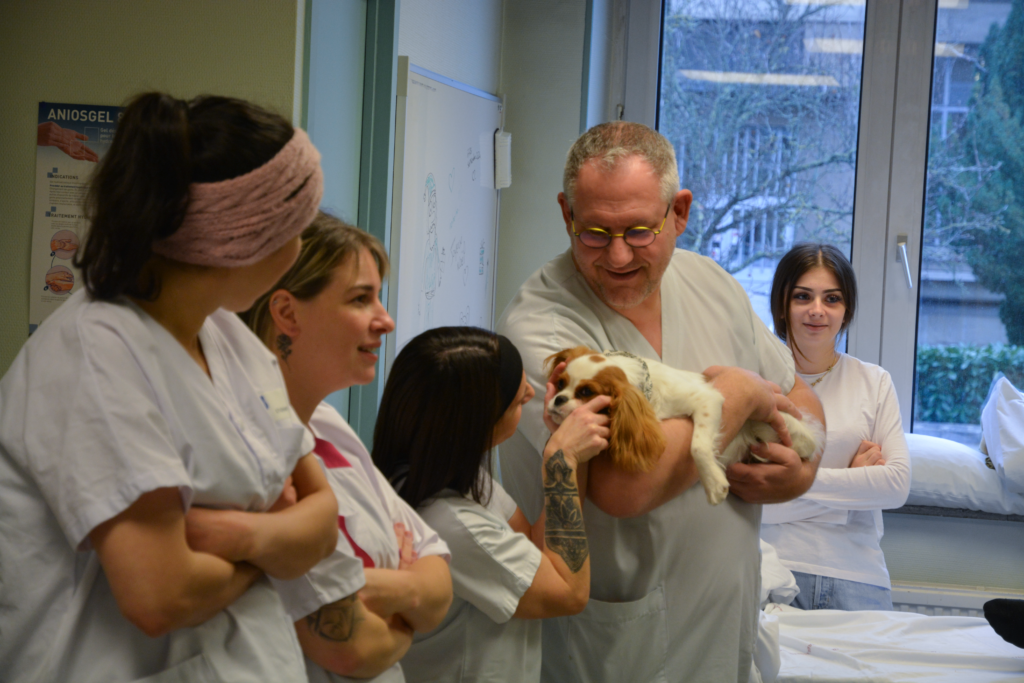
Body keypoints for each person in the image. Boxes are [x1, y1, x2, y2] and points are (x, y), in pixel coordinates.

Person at [0, 92, 342, 682]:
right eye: (297, 229)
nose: (299, 249)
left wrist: (230, 533)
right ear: (244, 239)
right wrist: (271, 553)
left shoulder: (231, 342)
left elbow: (322, 520)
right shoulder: (96, 354)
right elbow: (159, 594)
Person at [496, 121, 825, 683]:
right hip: (617, 644)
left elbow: (798, 394)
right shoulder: (545, 330)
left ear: (679, 213)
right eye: (595, 233)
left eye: (640, 231)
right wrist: (735, 395)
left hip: (723, 625)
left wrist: (803, 471)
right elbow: (627, 484)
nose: (619, 256)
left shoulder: (710, 282)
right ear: (565, 214)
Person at [243, 212, 454, 682]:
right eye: (361, 299)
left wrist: (389, 590)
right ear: (287, 313)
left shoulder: (328, 426)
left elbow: (439, 576)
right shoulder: (254, 451)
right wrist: (407, 590)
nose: (386, 320)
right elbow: (353, 650)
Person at [372, 327, 611, 683]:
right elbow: (568, 592)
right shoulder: (448, 522)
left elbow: (535, 544)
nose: (533, 393)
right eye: (518, 399)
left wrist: (568, 447)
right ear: (475, 423)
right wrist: (560, 462)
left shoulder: (443, 474)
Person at [761, 243, 910, 611]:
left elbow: (895, 487)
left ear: (846, 310)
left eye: (831, 299)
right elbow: (752, 501)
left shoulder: (873, 381)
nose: (817, 311)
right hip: (773, 571)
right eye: (802, 297)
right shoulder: (755, 382)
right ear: (783, 304)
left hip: (859, 576)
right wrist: (850, 490)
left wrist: (794, 481)